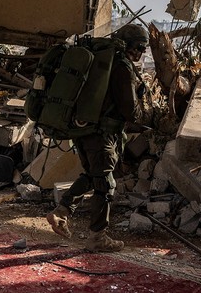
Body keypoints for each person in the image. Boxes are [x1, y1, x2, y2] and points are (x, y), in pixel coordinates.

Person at [46, 23, 148, 252]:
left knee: (94, 175)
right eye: (139, 47)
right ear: (130, 45)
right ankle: (97, 237)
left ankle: (61, 213)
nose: (140, 53)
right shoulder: (121, 65)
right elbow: (130, 110)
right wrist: (144, 113)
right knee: (106, 184)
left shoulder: (99, 57)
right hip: (102, 134)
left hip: (81, 130)